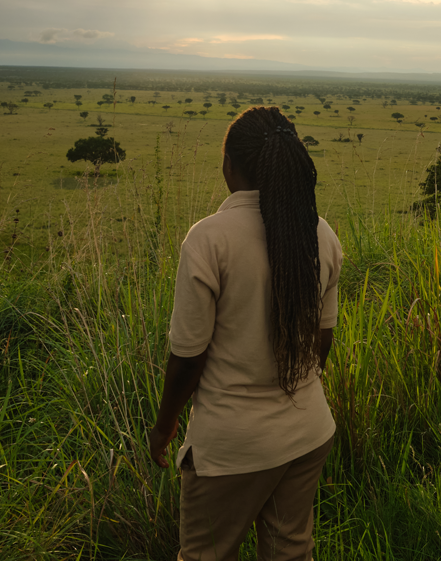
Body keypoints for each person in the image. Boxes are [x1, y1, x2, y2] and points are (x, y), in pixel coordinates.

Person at [148, 106, 342, 561]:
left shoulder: (209, 239)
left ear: (229, 165)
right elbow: (322, 340)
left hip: (232, 447)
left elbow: (189, 358)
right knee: (290, 553)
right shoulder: (320, 233)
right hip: (308, 431)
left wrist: (164, 426)